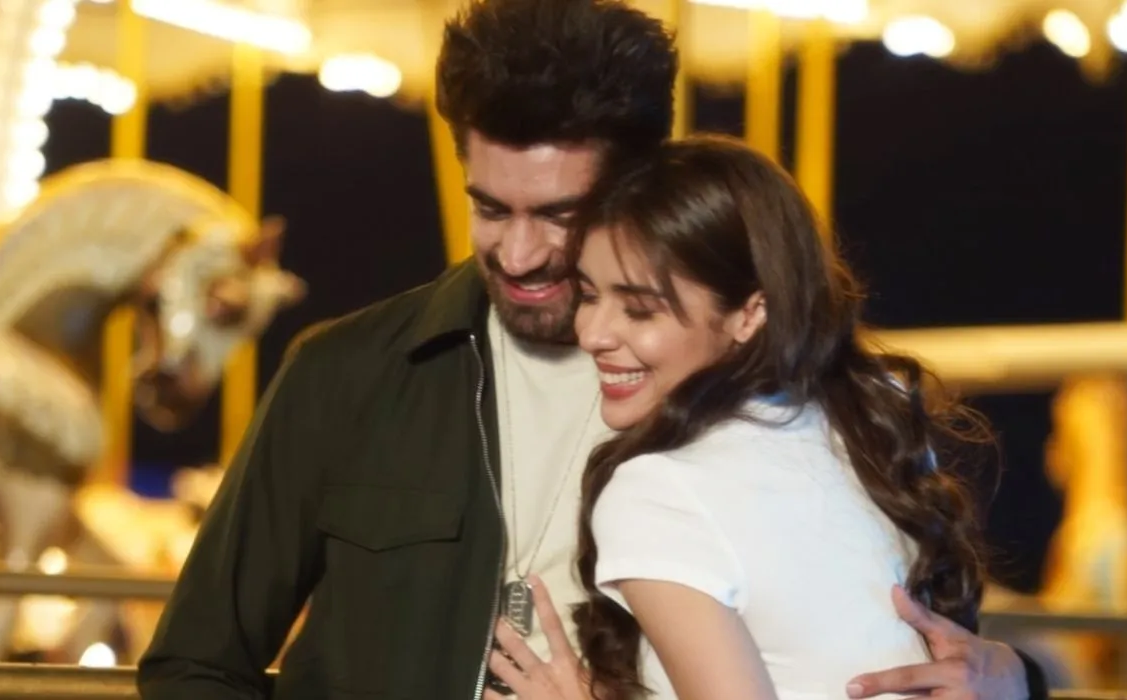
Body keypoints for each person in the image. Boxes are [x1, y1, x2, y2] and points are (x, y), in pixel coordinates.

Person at [137, 1, 1047, 699]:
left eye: (559, 214)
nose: (519, 253)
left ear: (637, 187)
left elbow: (905, 635)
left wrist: (1015, 679)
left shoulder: (766, 393)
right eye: (490, 207)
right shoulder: (345, 372)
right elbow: (195, 664)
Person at [480, 135, 994, 700]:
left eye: (640, 309)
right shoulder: (866, 415)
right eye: (588, 294)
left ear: (750, 313)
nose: (593, 335)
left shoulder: (658, 491)